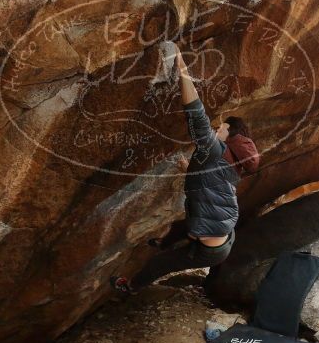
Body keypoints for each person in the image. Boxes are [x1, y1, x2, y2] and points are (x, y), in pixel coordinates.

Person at [109, 45, 260, 294]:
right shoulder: (234, 164)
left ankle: (130, 287)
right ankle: (163, 242)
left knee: (160, 264)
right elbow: (211, 179)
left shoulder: (214, 149)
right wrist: (187, 168)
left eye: (220, 127)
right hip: (223, 237)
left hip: (209, 249)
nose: (216, 128)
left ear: (228, 134)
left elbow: (196, 114)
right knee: (181, 226)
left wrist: (181, 68)